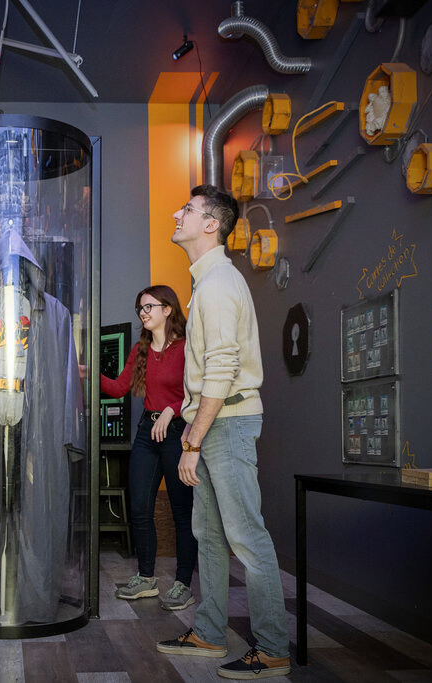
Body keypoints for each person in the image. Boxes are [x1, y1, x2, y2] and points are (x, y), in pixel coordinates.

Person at [156, 186, 290, 679]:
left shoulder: (217, 285)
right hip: (217, 419)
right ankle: (210, 633)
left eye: (187, 210)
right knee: (208, 535)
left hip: (225, 423)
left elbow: (222, 371)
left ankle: (273, 648)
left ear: (211, 224)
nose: (177, 213)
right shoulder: (208, 282)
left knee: (247, 538)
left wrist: (191, 441)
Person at [103, 285, 197, 611]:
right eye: (140, 309)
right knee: (140, 507)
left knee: (181, 512)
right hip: (147, 431)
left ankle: (183, 583)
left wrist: (172, 409)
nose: (143, 313)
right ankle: (146, 579)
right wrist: (84, 374)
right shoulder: (140, 350)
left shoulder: (186, 348)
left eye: (149, 307)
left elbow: (197, 395)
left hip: (176, 432)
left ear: (168, 309)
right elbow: (117, 388)